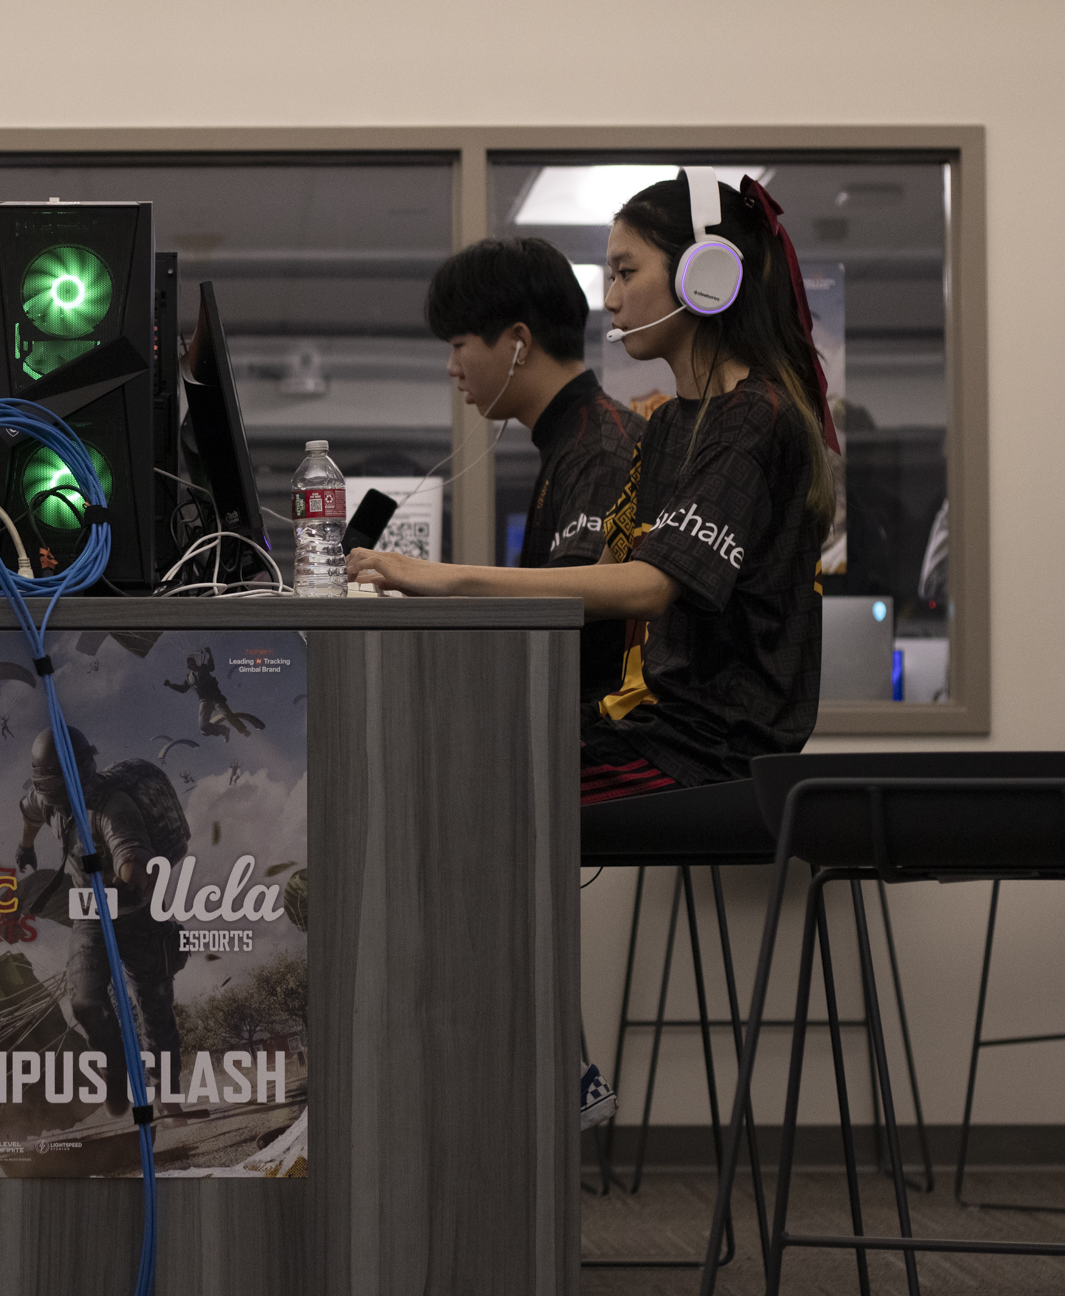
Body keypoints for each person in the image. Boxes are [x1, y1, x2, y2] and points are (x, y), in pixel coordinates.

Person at [350, 172, 836, 1131]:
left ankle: (533, 1069)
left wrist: (435, 576)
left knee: (472, 799)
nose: (608, 297)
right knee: (452, 780)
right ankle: (511, 1060)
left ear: (703, 276)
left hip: (713, 749)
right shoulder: (674, 425)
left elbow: (647, 587)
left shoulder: (755, 418)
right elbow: (610, 580)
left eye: (625, 270)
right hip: (666, 730)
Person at [424, 238, 644, 701]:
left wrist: (441, 581)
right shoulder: (574, 437)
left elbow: (575, 606)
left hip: (596, 726)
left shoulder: (602, 446)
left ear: (519, 344)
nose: (452, 367)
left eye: (459, 345)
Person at [14, 726, 185, 1117]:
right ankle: (115, 1069)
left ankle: (168, 1096)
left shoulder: (113, 807)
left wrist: (126, 881)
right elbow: (31, 812)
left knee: (154, 1008)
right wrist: (25, 846)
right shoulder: (48, 799)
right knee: (86, 1000)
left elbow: (134, 865)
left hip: (140, 916)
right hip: (91, 912)